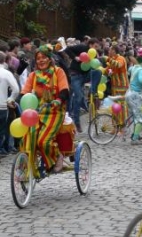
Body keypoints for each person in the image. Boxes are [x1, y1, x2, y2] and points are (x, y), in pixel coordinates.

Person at [19, 44, 69, 173]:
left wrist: (58, 100)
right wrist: (18, 101)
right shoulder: (33, 76)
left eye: (43, 57)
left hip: (55, 112)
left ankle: (57, 156)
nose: (40, 60)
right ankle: (27, 165)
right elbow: (25, 93)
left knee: (44, 141)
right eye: (38, 58)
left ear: (49, 58)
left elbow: (64, 90)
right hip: (37, 112)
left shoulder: (58, 72)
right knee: (28, 138)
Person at [64, 37, 101, 132]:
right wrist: (75, 57)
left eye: (97, 47)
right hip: (75, 75)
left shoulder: (94, 55)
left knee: (97, 72)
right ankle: (76, 121)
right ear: (90, 45)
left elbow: (96, 65)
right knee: (78, 97)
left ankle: (93, 91)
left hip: (85, 75)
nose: (96, 49)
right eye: (95, 46)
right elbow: (67, 49)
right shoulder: (81, 47)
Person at [125, 48, 142, 145]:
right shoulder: (141, 70)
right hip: (136, 95)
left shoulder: (134, 67)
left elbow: (129, 70)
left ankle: (136, 133)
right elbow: (141, 80)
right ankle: (135, 138)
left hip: (129, 93)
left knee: (136, 115)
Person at [103, 45, 129, 133]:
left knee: (121, 106)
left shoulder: (120, 58)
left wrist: (108, 59)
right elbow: (107, 70)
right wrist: (102, 70)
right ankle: (115, 126)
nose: (108, 52)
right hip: (115, 87)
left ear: (114, 50)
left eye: (110, 50)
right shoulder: (112, 60)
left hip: (122, 86)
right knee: (114, 107)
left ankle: (122, 127)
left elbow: (118, 65)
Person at [0, 51, 20, 156]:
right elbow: (16, 89)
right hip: (2, 106)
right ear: (4, 60)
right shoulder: (6, 73)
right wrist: (10, 99)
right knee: (1, 130)